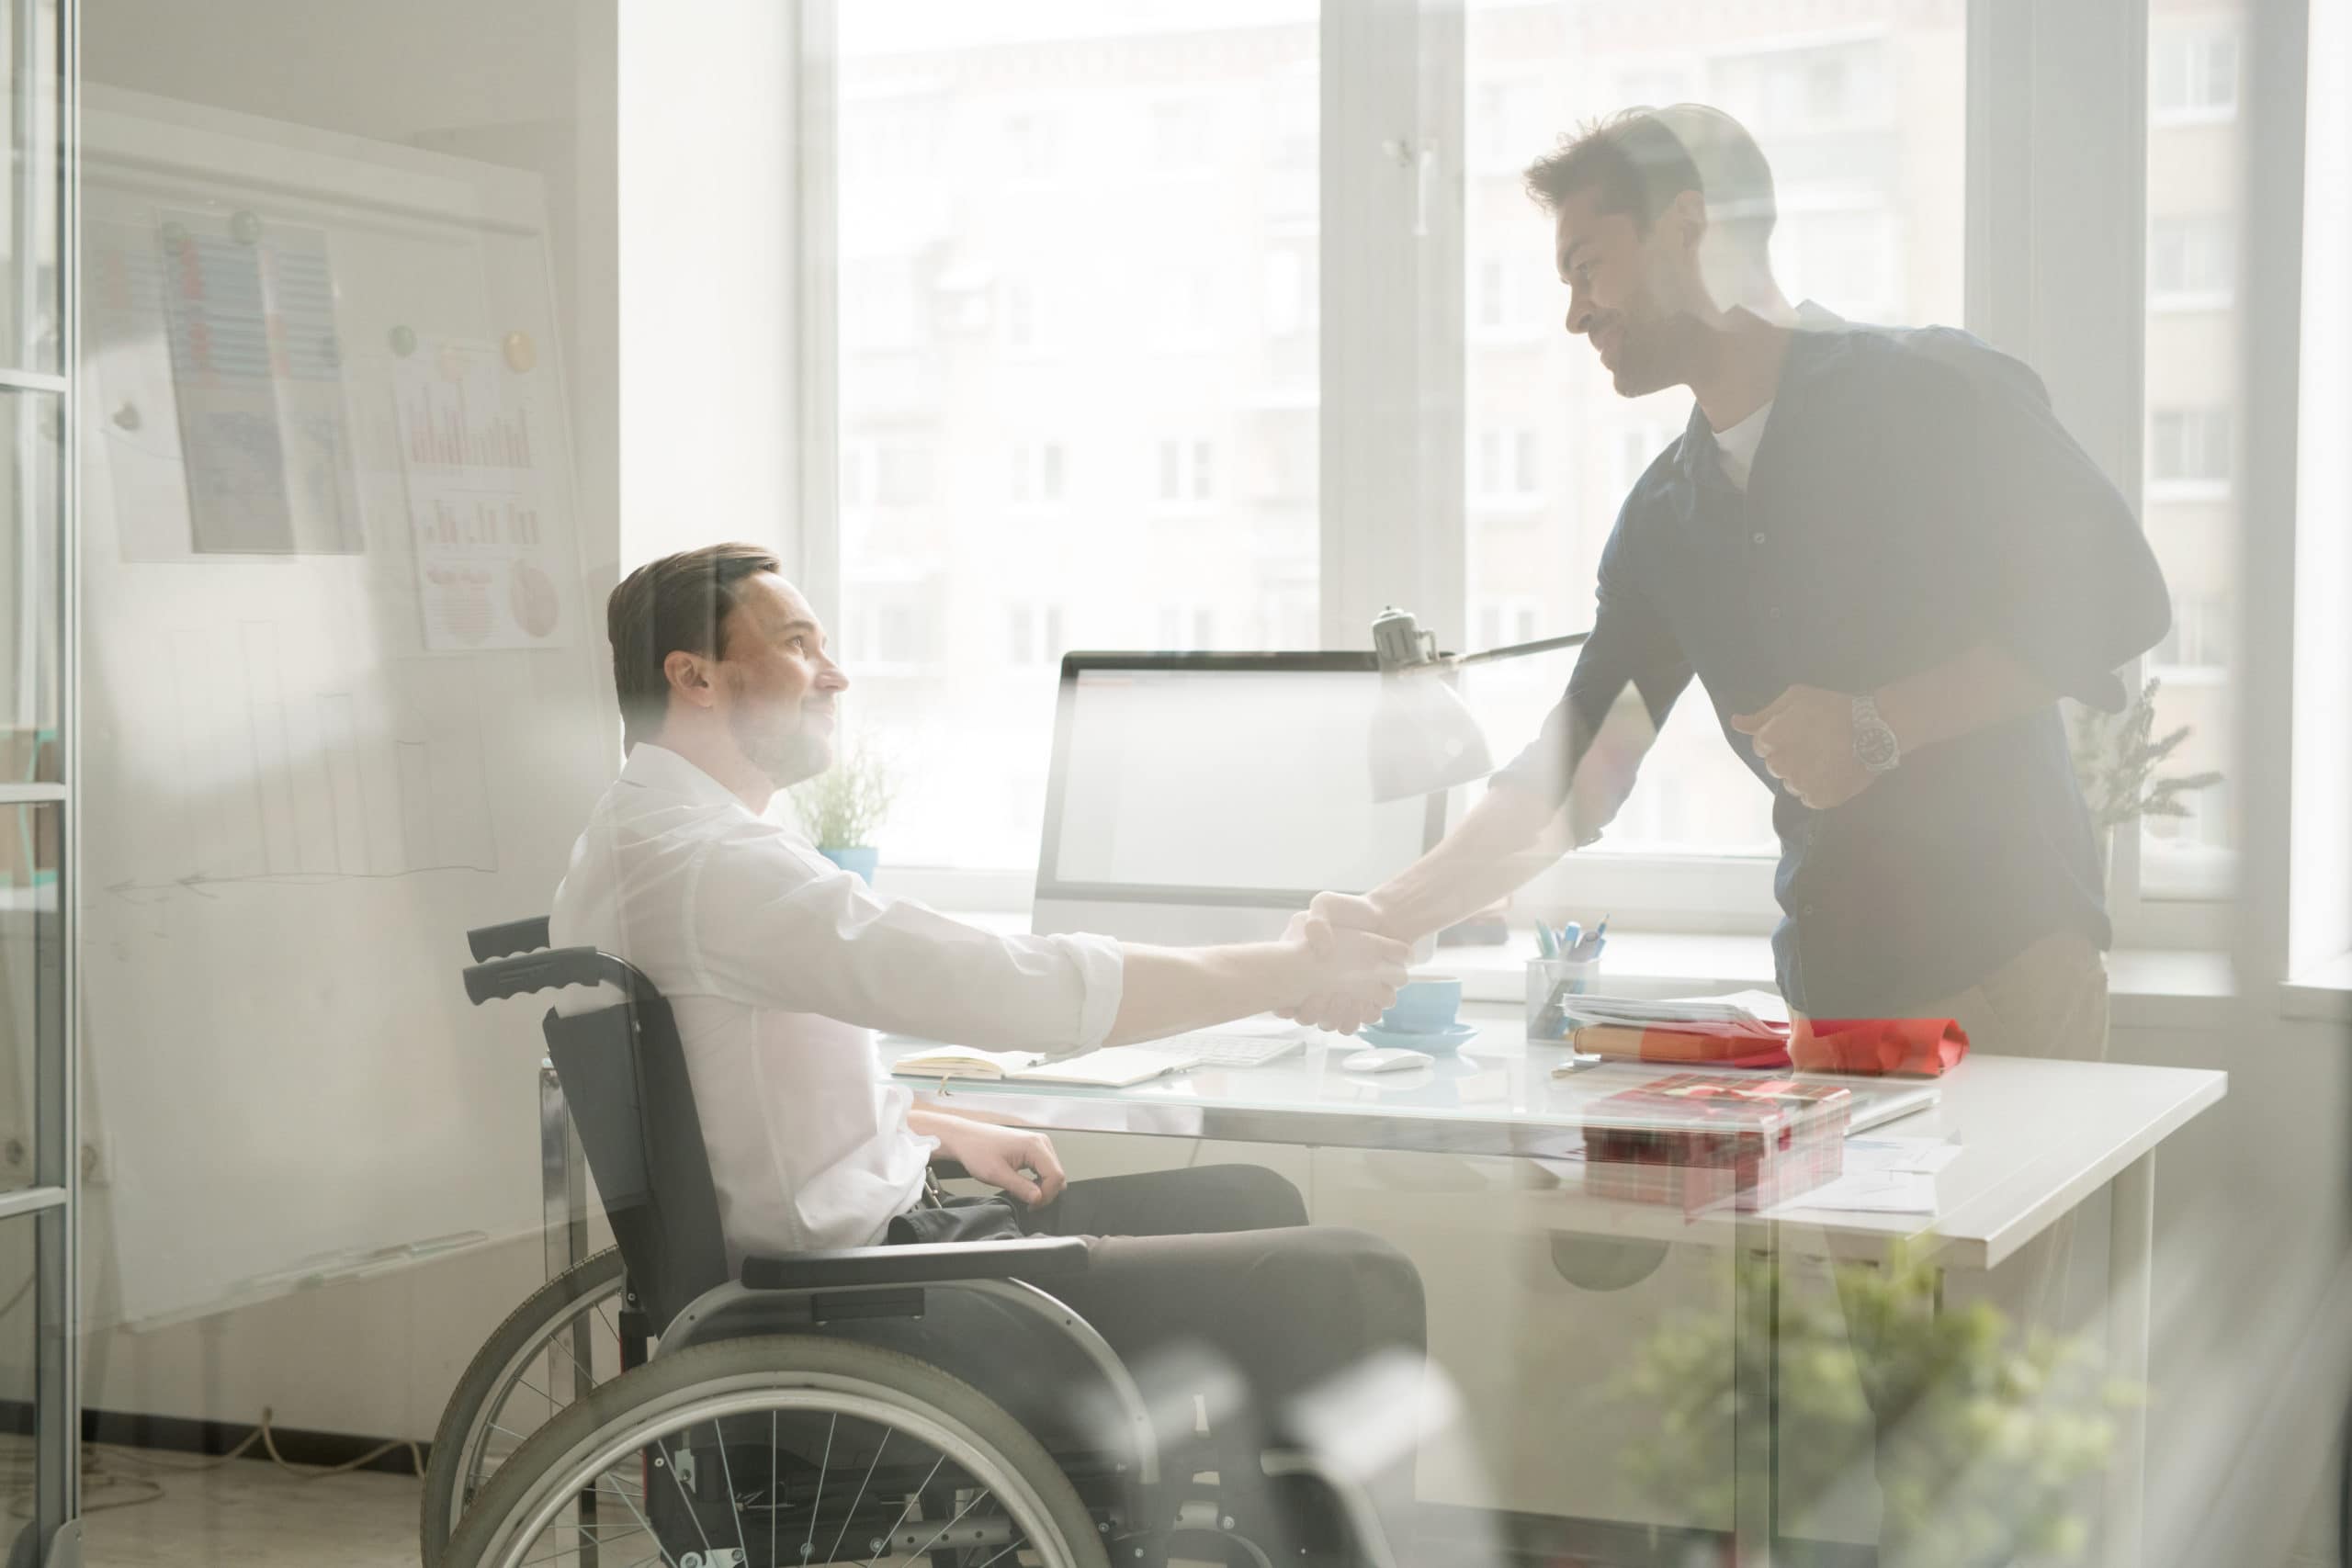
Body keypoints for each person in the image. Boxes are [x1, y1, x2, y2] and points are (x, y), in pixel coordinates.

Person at [549, 542, 1429, 1552]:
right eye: (799, 646)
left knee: (1254, 1203)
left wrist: (930, 1123)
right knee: (1357, 1275)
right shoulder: (710, 867)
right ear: (694, 677)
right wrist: (1289, 971)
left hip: (842, 1270)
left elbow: (715, 1093)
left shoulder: (640, 838)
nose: (834, 675)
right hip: (863, 1309)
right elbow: (1017, 990)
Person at [1311, 104, 2169, 1064]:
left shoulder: (1935, 390)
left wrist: (1876, 722)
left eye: (1587, 265)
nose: (1574, 312)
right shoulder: (1665, 525)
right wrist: (1382, 917)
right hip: (1831, 999)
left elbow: (2121, 600)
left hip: (2004, 970)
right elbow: (1580, 775)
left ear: (1685, 227)